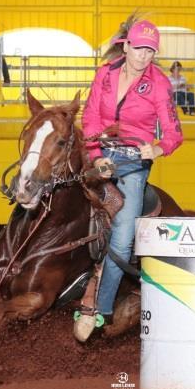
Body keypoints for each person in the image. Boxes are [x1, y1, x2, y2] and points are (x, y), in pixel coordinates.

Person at [74, 17, 184, 341]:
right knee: (59, 188)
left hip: (134, 162)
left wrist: (158, 149)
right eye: (140, 49)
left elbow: (175, 133)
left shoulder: (160, 84)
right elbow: (91, 115)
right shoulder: (105, 74)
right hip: (100, 154)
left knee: (123, 234)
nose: (144, 57)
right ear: (127, 46)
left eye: (151, 51)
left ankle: (102, 310)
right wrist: (96, 155)